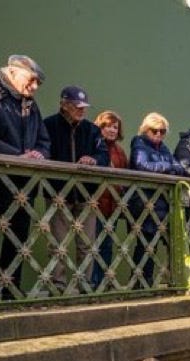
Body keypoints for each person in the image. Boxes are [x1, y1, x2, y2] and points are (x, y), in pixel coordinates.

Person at [0, 55, 50, 299]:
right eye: (32, 80)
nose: (35, 87)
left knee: (17, 240)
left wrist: (39, 154)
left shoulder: (30, 104)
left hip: (21, 186)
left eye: (38, 82)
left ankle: (10, 290)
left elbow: (43, 140)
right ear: (12, 72)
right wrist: (19, 156)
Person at [43, 85, 109, 291]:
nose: (82, 110)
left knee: (87, 245)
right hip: (58, 193)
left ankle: (84, 285)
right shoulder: (49, 125)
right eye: (77, 106)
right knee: (57, 244)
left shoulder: (92, 130)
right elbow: (43, 151)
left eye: (84, 107)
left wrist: (94, 160)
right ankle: (58, 285)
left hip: (86, 194)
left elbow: (104, 155)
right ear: (64, 105)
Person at [129, 112, 188, 285]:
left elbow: (179, 167)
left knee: (166, 242)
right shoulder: (139, 143)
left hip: (162, 202)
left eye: (162, 131)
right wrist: (167, 167)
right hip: (145, 201)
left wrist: (168, 167)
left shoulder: (163, 148)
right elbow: (141, 165)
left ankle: (167, 281)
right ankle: (140, 282)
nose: (159, 134)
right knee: (146, 243)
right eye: (154, 130)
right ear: (146, 129)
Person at [93, 109, 129, 288]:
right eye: (108, 126)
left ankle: (105, 281)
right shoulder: (93, 145)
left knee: (107, 245)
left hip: (112, 206)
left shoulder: (120, 151)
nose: (112, 130)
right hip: (96, 204)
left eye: (115, 127)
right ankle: (94, 282)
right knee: (93, 245)